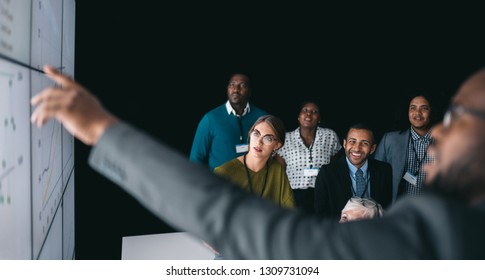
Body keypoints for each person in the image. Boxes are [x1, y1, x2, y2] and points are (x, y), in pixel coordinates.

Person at [31, 65, 485, 259]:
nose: (437, 130)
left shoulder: (441, 233)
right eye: (258, 137)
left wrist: (100, 130)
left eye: (455, 116)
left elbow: (260, 223)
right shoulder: (222, 158)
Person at [189, 73, 268, 171]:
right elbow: (196, 158)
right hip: (220, 184)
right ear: (227, 89)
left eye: (242, 85)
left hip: (255, 184)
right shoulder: (210, 119)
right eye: (232, 85)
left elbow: (270, 151)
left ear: (250, 91)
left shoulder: (262, 118)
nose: (236, 89)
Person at [214, 115, 295, 208]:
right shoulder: (223, 172)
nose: (259, 142)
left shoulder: (277, 170)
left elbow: (289, 209)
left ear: (277, 145)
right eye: (256, 134)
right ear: (250, 134)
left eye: (268, 138)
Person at [314, 123, 392, 218]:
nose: (357, 148)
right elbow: (321, 213)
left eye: (364, 143)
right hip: (340, 230)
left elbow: (386, 208)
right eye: (352, 141)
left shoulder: (384, 170)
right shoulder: (327, 173)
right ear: (345, 144)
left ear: (372, 148)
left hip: (373, 229)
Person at [276, 101, 341, 213]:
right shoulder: (286, 139)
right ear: (298, 116)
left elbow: (334, 167)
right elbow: (279, 173)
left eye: (314, 111)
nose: (309, 114)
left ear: (319, 118)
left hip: (323, 193)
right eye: (305, 110)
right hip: (294, 196)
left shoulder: (330, 136)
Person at [374, 91, 437, 202]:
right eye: (413, 108)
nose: (417, 113)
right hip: (399, 210)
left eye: (424, 108)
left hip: (434, 209)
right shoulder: (389, 140)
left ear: (432, 111)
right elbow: (376, 175)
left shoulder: (445, 141)